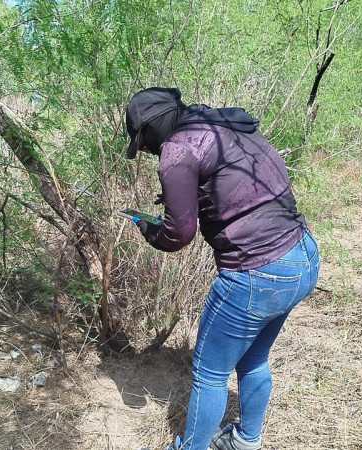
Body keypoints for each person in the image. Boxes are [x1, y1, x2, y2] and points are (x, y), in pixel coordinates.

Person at [125, 87, 320, 450]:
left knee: (209, 373)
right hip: (302, 256)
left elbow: (178, 234)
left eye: (143, 143)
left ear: (150, 128)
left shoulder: (179, 149)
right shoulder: (226, 125)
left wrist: (149, 229)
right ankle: (246, 441)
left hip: (257, 271)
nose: (149, 152)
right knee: (254, 359)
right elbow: (239, 187)